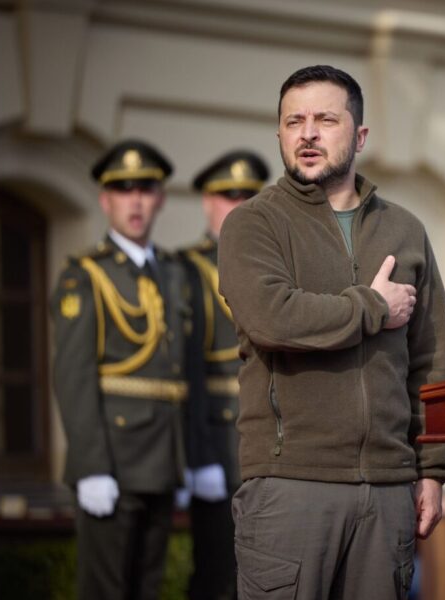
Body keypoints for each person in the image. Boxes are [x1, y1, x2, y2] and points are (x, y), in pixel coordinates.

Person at [217, 64, 445, 600]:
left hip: (389, 489)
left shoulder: (405, 230)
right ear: (279, 134)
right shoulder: (253, 223)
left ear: (360, 135)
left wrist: (433, 469)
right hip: (290, 484)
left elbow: (431, 358)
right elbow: (273, 317)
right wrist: (373, 307)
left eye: (325, 120)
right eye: (293, 121)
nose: (307, 134)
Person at [51, 139, 194, 599]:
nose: (136, 201)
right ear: (105, 200)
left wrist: (185, 458)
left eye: (146, 189)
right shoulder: (86, 275)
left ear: (161, 198)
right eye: (124, 189)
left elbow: (180, 374)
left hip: (163, 460)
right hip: (113, 460)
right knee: (106, 590)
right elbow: (73, 378)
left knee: (147, 588)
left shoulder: (173, 272)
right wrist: (91, 466)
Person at [180, 150, 269, 600]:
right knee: (216, 572)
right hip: (217, 440)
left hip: (266, 440)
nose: (238, 206)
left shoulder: (272, 268)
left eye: (247, 196)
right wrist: (196, 456)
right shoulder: (187, 270)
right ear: (207, 202)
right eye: (228, 196)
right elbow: (184, 373)